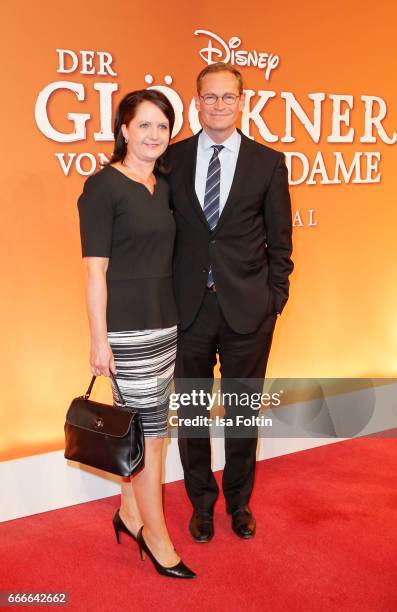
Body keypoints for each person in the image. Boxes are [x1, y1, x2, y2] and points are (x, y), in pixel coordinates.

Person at [167, 63, 294, 542]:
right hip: (188, 312)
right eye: (209, 97)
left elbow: (280, 243)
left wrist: (273, 300)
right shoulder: (172, 160)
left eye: (227, 97)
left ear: (243, 102)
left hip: (248, 312)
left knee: (243, 412)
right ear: (195, 102)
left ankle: (239, 502)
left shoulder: (268, 162)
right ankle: (201, 503)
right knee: (193, 414)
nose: (218, 105)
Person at [77, 90, 195, 579]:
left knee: (141, 427)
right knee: (153, 436)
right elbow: (94, 273)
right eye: (143, 125)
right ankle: (156, 535)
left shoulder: (162, 185)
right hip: (126, 330)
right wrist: (99, 339)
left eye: (162, 127)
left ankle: (129, 513)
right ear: (123, 129)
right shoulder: (102, 187)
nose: (153, 136)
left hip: (164, 323)